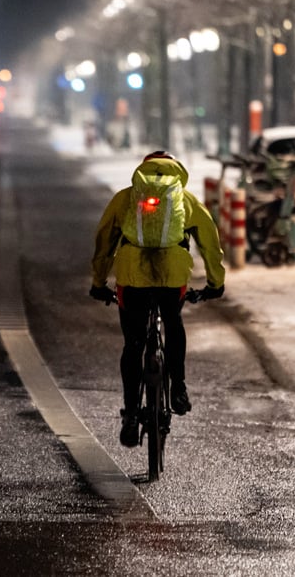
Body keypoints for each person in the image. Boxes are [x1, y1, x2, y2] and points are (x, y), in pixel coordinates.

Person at [89, 151, 225, 448]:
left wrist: (99, 281)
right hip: (171, 275)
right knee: (173, 322)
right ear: (176, 170)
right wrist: (216, 283)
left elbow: (104, 240)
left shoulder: (126, 198)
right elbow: (210, 242)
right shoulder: (184, 199)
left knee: (133, 343)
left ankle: (130, 416)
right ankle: (178, 389)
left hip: (131, 276)